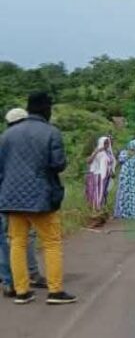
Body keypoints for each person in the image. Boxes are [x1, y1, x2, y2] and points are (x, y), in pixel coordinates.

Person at [0, 92, 77, 305]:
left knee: (17, 243)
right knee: (51, 243)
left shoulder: (7, 135)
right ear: (46, 109)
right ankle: (55, 292)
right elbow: (58, 164)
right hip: (41, 198)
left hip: (12, 198)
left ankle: (22, 292)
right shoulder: (51, 132)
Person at [0, 108, 47, 297]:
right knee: (24, 237)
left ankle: (10, 281)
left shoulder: (5, 140)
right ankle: (29, 275)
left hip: (7, 196)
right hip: (23, 197)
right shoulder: (31, 140)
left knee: (8, 239)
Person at [84, 136, 116, 228]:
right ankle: (95, 218)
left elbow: (110, 164)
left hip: (105, 178)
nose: (107, 145)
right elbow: (89, 161)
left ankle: (101, 217)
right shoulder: (98, 152)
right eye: (105, 143)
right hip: (97, 177)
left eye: (108, 143)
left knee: (102, 197)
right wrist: (97, 151)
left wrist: (111, 172)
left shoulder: (108, 152)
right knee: (96, 197)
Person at [113, 139, 135, 220]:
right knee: (133, 193)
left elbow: (118, 163)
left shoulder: (123, 153)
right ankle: (133, 211)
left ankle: (121, 211)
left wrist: (113, 171)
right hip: (134, 177)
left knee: (123, 192)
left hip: (124, 175)